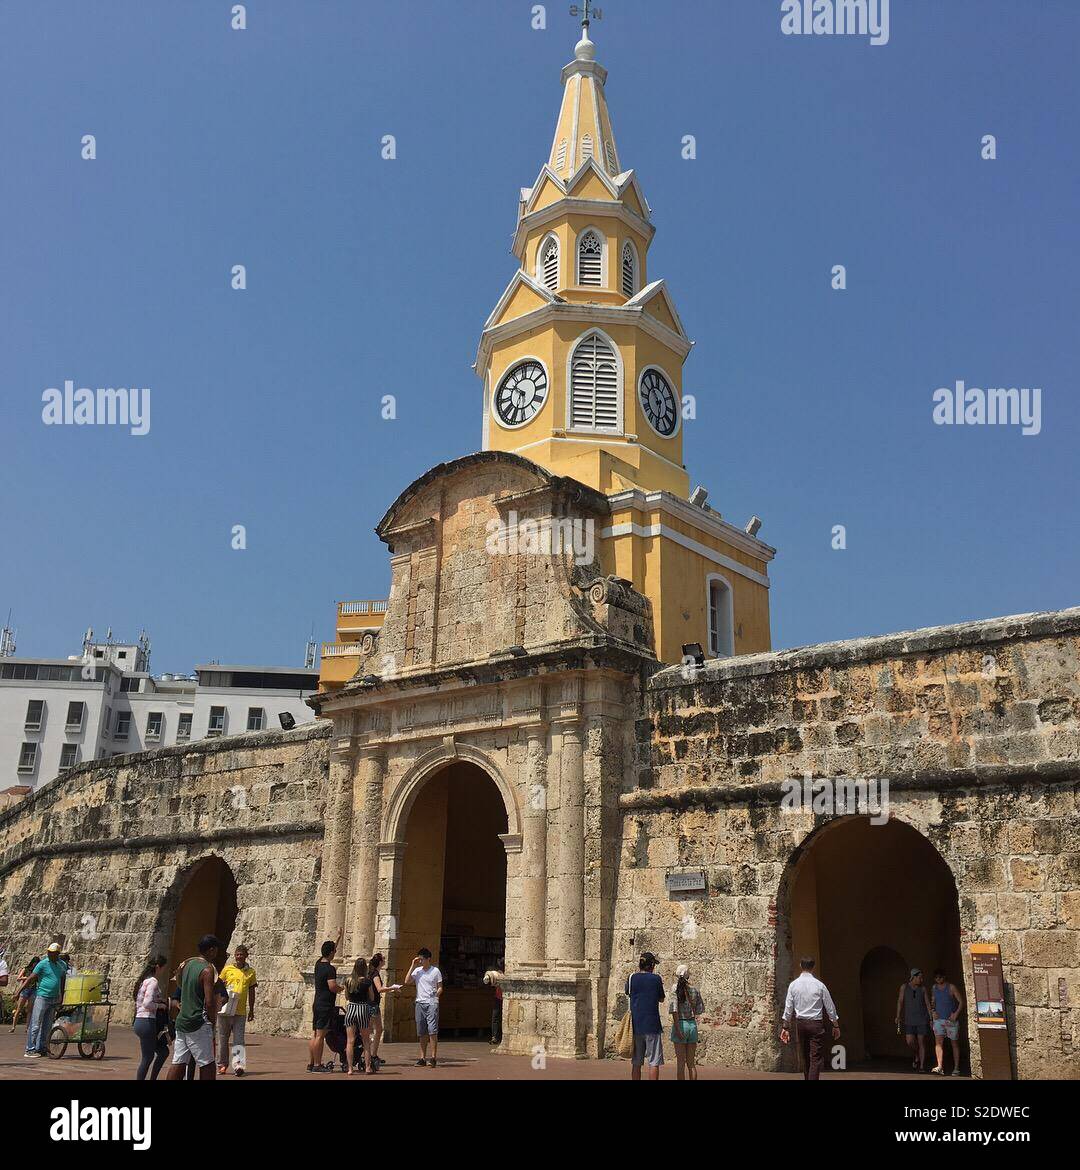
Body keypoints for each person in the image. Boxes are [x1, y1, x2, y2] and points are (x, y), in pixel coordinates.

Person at [166, 934, 222, 1080]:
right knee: (207, 1064)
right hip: (197, 1021)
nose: (216, 953)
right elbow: (209, 1001)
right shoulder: (207, 970)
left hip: (182, 1020)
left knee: (178, 1062)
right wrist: (211, 1020)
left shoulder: (187, 965)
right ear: (211, 950)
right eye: (215, 950)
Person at [780, 957, 841, 1081]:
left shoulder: (794, 985)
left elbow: (788, 1007)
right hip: (816, 1024)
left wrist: (785, 1027)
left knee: (805, 1056)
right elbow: (830, 1007)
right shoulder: (820, 986)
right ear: (813, 967)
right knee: (815, 1057)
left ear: (800, 966)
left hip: (801, 1024)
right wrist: (835, 1025)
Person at [217, 944, 257, 1076]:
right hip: (225, 1010)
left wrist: (251, 1009)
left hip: (240, 1011)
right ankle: (222, 1064)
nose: (239, 957)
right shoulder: (227, 969)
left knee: (239, 1039)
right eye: (237, 954)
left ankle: (238, 1065)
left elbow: (252, 992)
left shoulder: (250, 972)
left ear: (246, 956)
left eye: (242, 954)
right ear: (235, 956)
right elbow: (219, 986)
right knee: (223, 1039)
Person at [23, 942, 69, 1058]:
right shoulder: (42, 964)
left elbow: (63, 979)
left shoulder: (62, 964)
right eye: (49, 952)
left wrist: (61, 996)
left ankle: (42, 1047)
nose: (50, 954)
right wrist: (19, 991)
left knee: (47, 1025)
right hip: (42, 997)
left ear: (57, 954)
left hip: (54, 998)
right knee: (35, 1024)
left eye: (53, 953)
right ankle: (30, 1049)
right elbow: (30, 978)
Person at [625, 951, 666, 1081]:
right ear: (652, 965)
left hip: (636, 1025)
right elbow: (661, 998)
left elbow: (628, 992)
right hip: (652, 1024)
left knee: (636, 1062)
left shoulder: (631, 978)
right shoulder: (656, 979)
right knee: (653, 1061)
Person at [307, 932, 342, 1072]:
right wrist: (341, 988)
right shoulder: (330, 969)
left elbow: (329, 950)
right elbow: (332, 986)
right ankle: (317, 1065)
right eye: (334, 951)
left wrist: (338, 938)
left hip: (317, 1003)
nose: (335, 953)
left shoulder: (318, 964)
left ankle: (311, 1063)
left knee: (315, 1034)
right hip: (325, 1005)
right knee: (320, 1036)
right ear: (331, 953)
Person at [132, 955, 169, 1080]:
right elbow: (147, 1003)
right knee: (148, 1057)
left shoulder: (145, 980)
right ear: (158, 967)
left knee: (163, 1052)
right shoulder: (153, 981)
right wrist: (160, 1006)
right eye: (163, 968)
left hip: (140, 1021)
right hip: (147, 1021)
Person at [405, 948, 443, 1068]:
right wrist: (412, 965)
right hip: (420, 1003)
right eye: (419, 959)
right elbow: (407, 981)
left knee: (432, 1030)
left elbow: (440, 987)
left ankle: (433, 1057)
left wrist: (436, 995)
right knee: (421, 1031)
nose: (420, 961)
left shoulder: (435, 971)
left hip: (431, 1002)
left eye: (422, 959)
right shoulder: (417, 971)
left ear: (428, 959)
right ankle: (422, 1057)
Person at [668, 963, 705, 1081]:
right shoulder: (694, 989)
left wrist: (678, 1029)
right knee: (691, 1063)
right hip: (692, 1025)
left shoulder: (675, 988)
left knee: (680, 1063)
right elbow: (700, 1009)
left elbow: (674, 1010)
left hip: (681, 1024)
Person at [896, 968, 933, 1072]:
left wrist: (931, 1018)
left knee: (921, 1042)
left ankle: (921, 1066)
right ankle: (917, 1054)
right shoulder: (904, 987)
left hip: (922, 1019)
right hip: (909, 1020)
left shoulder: (923, 989)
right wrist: (898, 1015)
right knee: (910, 1041)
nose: (921, 979)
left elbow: (927, 1004)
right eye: (919, 977)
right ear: (913, 977)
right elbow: (900, 1001)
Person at [343, 958, 376, 1075]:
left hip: (351, 1008)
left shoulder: (348, 981)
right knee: (366, 1040)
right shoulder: (367, 982)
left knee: (350, 1041)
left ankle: (350, 1069)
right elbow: (371, 997)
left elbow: (347, 996)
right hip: (362, 1009)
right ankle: (367, 1067)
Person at [930, 968, 964, 1076]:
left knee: (954, 1043)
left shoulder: (951, 987)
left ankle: (956, 1067)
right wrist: (933, 1011)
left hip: (950, 1020)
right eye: (936, 977)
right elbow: (933, 1001)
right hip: (939, 1019)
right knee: (938, 1043)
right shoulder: (934, 988)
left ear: (944, 977)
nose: (938, 979)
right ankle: (940, 1066)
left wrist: (955, 1014)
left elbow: (961, 1002)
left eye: (940, 977)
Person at [367, 953, 391, 1069]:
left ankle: (371, 1054)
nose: (385, 960)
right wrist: (392, 988)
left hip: (371, 1005)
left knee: (372, 1030)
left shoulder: (371, 972)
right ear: (380, 962)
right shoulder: (375, 974)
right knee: (376, 1030)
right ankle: (372, 1055)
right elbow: (379, 989)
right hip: (373, 1006)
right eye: (383, 959)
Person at [9, 954, 38, 1033]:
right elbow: (18, 978)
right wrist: (26, 978)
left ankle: (27, 1028)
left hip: (33, 989)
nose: (35, 964)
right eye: (35, 963)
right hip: (25, 990)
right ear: (32, 962)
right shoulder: (26, 969)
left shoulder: (37, 971)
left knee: (30, 1010)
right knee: (19, 1009)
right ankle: (13, 1026)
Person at [483, 969, 503, 1046]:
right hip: (498, 998)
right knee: (495, 1017)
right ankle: (494, 1037)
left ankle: (498, 1036)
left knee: (498, 1017)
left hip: (501, 998)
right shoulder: (497, 978)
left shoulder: (500, 976)